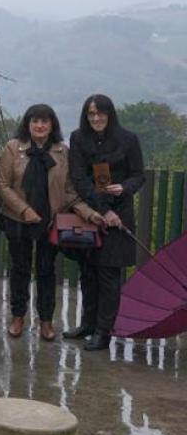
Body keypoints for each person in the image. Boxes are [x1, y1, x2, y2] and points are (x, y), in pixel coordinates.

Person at [0, 104, 104, 342]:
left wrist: (89, 214)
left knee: (47, 272)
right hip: (18, 219)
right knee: (19, 270)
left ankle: (46, 321)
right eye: (35, 121)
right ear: (28, 123)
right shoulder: (13, 148)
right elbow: (3, 184)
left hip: (50, 222)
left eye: (45, 121)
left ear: (52, 125)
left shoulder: (61, 152)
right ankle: (17, 317)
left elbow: (69, 191)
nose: (40, 126)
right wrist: (24, 210)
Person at [65, 94, 145, 351]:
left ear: (110, 114)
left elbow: (138, 175)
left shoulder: (128, 139)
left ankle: (104, 331)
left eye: (101, 113)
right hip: (91, 212)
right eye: (91, 114)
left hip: (120, 213)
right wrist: (100, 210)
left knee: (109, 274)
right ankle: (88, 323)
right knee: (88, 271)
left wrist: (124, 188)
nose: (96, 118)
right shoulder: (78, 138)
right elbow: (79, 178)